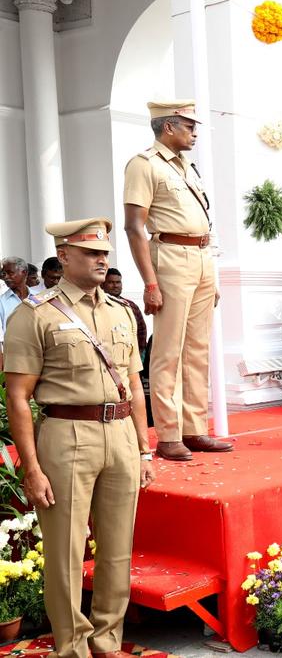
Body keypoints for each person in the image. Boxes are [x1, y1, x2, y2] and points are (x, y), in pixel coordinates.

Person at [4, 218, 155, 658]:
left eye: (104, 253)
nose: (101, 260)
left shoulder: (121, 311)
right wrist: (32, 469)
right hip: (67, 435)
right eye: (91, 253)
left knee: (117, 549)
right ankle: (72, 647)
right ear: (64, 256)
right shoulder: (35, 314)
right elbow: (18, 397)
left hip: (121, 435)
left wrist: (144, 449)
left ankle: (107, 640)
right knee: (66, 552)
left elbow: (134, 383)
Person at [123, 99, 230, 461]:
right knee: (168, 351)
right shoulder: (144, 165)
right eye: (189, 126)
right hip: (169, 256)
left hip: (201, 256)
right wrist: (150, 283)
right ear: (168, 127)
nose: (195, 133)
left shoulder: (186, 166)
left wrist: (210, 272)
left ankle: (194, 429)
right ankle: (169, 435)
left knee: (197, 349)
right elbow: (134, 227)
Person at [101, 269, 149, 360]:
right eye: (111, 282)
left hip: (133, 355)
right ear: (102, 285)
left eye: (118, 282)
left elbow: (142, 330)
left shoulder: (131, 305)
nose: (115, 285)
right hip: (109, 357)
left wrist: (139, 352)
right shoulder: (98, 306)